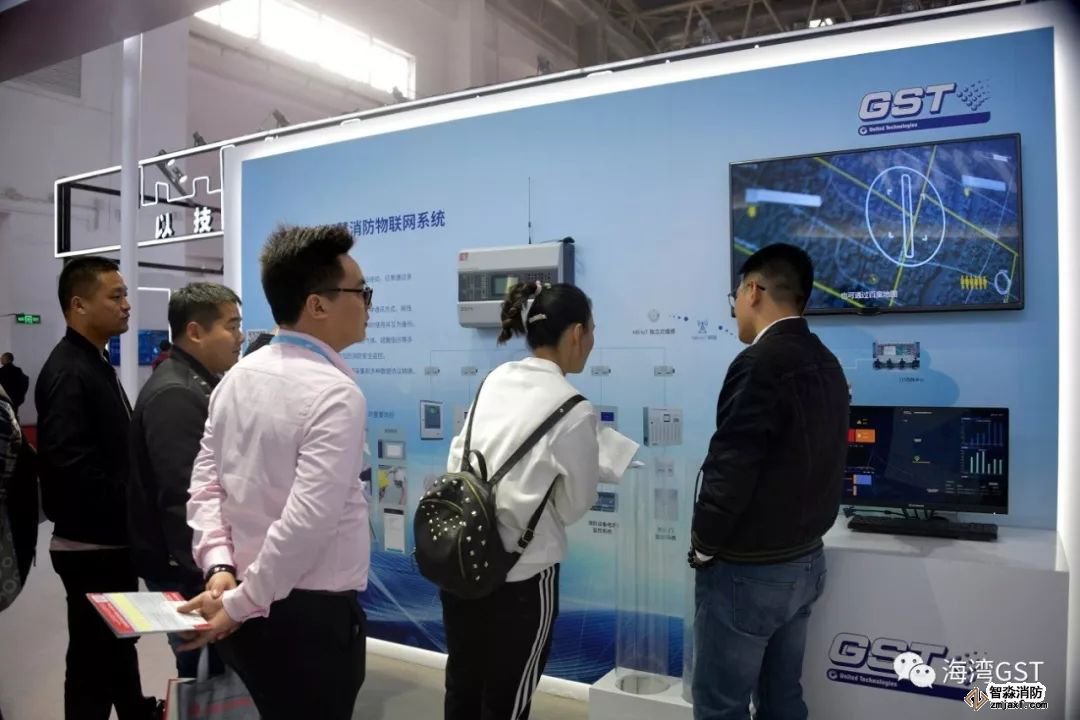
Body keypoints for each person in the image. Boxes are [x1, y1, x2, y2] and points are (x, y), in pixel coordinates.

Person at [180, 224, 371, 720]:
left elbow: (205, 487)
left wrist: (220, 568)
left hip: (247, 597)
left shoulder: (237, 377)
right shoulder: (334, 394)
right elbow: (307, 523)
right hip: (309, 619)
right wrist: (240, 601)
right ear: (317, 305)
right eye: (361, 292)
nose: (368, 304)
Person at [440, 281, 634, 720]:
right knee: (508, 698)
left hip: (463, 562)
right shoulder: (573, 407)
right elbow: (573, 506)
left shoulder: (495, 379)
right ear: (577, 333)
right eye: (592, 330)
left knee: (463, 685)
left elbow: (461, 456)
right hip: (523, 578)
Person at [688, 243, 849, 720]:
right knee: (782, 699)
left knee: (721, 707)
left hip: (749, 572)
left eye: (735, 296)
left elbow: (731, 465)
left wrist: (702, 545)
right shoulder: (826, 360)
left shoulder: (759, 363)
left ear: (754, 291)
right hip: (806, 561)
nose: (734, 308)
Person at [34, 255, 158, 719]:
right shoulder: (70, 371)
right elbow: (71, 467)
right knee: (92, 661)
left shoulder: (93, 362)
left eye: (126, 295)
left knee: (115, 647)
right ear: (79, 305)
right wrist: (135, 505)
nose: (127, 305)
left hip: (108, 540)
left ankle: (136, 710)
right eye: (116, 296)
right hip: (91, 546)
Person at [128, 282, 243, 678]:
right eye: (231, 326)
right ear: (195, 331)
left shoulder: (197, 382)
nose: (240, 337)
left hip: (197, 565)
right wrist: (212, 574)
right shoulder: (177, 393)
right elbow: (184, 496)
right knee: (207, 677)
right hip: (189, 572)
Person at [0, 353, 29, 419]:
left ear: (7, 359)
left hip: (3, 399)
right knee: (13, 415)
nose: (0, 360)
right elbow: (24, 382)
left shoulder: (1, 371)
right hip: (15, 399)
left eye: (2, 358)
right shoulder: (18, 371)